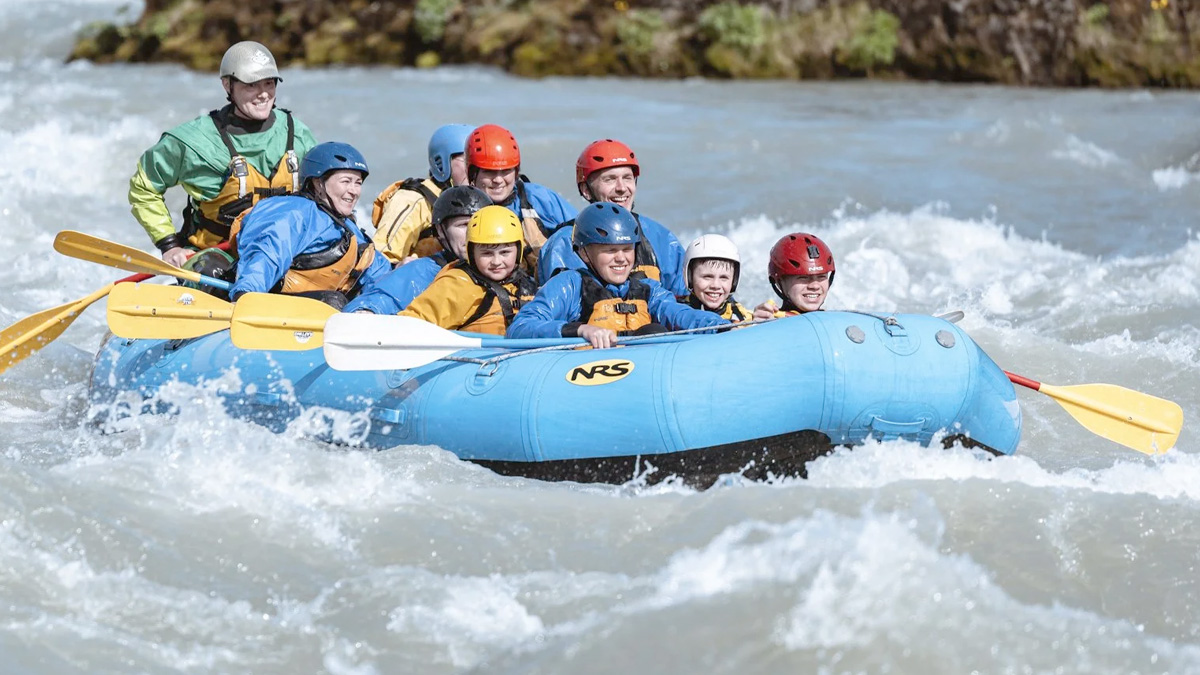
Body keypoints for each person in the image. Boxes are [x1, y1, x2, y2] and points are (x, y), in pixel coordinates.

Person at [128, 41, 317, 268]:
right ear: (227, 85)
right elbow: (144, 187)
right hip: (215, 258)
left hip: (283, 251)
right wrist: (169, 245)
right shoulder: (193, 141)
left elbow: (323, 192)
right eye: (252, 85)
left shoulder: (297, 133)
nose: (263, 94)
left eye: (269, 83)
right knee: (214, 271)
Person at [507, 202, 727, 349]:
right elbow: (519, 328)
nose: (621, 259)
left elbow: (679, 314)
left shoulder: (648, 290)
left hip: (639, 374)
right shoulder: (569, 285)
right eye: (610, 250)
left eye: (627, 249)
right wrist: (580, 330)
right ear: (584, 252)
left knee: (655, 331)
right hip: (585, 376)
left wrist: (720, 325)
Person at [229, 142, 389, 308]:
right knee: (334, 301)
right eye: (346, 181)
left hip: (314, 308)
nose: (354, 191)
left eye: (358, 183)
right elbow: (268, 253)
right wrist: (245, 296)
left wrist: (399, 272)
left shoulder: (347, 226)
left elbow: (378, 271)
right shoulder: (294, 212)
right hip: (269, 301)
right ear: (318, 183)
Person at [538, 139, 687, 295]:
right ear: (586, 190)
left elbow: (683, 298)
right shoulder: (563, 243)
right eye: (609, 179)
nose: (622, 188)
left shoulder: (661, 237)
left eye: (627, 178)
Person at [343, 186, 492, 314]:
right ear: (440, 231)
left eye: (479, 223)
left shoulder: (506, 266)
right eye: (464, 225)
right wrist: (368, 312)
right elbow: (377, 301)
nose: (474, 232)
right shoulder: (423, 271)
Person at [398, 206, 537, 335]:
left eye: (505, 252)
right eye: (487, 253)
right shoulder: (456, 285)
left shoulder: (525, 284)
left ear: (518, 252)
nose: (496, 262)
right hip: (476, 358)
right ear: (471, 253)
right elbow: (409, 326)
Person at [465, 124, 576, 267]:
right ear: (473, 173)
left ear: (516, 172)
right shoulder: (461, 208)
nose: (498, 180)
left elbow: (582, 230)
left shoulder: (537, 197)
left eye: (506, 171)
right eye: (489, 172)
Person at [370, 123, 474, 264]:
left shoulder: (473, 200)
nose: (474, 168)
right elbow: (379, 261)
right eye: (467, 160)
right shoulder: (412, 200)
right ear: (442, 163)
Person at [753, 232, 836, 319]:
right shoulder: (770, 321)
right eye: (803, 278)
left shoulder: (837, 321)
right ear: (779, 282)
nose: (815, 286)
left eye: (821, 277)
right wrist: (757, 327)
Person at [679, 234, 752, 321]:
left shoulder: (742, 316)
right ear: (689, 278)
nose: (716, 285)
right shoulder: (676, 313)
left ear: (734, 281)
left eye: (724, 278)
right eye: (707, 277)